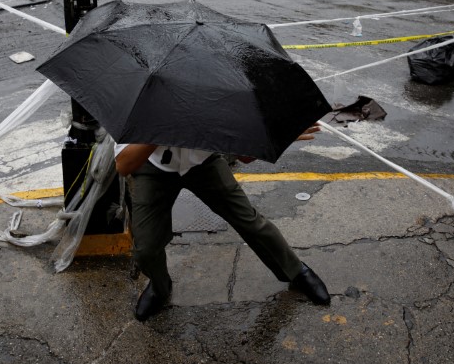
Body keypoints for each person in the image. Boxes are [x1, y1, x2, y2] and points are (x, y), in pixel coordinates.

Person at [115, 126, 331, 321]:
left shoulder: (210, 97)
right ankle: (160, 287)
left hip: (203, 161)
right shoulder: (139, 99)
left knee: (251, 222)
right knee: (145, 250)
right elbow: (124, 165)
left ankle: (296, 271)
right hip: (153, 168)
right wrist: (164, 128)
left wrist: (275, 138)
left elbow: (244, 157)